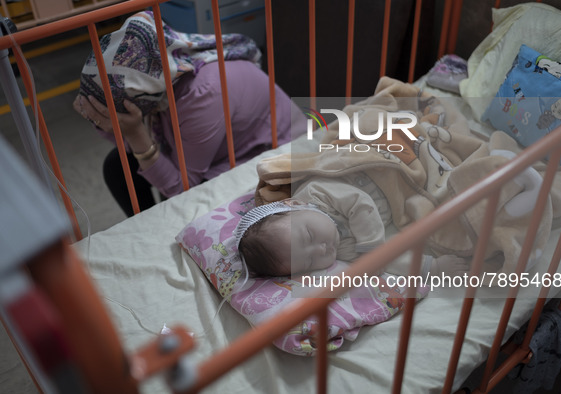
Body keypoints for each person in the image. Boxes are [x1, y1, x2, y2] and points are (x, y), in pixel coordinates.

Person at [73, 11, 305, 216]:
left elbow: (182, 190)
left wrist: (135, 134)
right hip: (228, 145)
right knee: (118, 165)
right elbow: (126, 148)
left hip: (275, 153)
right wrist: (108, 124)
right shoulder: (165, 77)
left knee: (171, 195)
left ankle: (162, 233)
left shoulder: (201, 94)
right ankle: (151, 226)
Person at [235, 181, 468, 279]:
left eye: (309, 235)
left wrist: (371, 249)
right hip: (403, 199)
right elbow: (385, 260)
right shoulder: (342, 249)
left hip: (383, 176)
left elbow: (360, 201)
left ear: (295, 205)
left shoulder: (316, 194)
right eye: (308, 263)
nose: (322, 249)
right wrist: (431, 266)